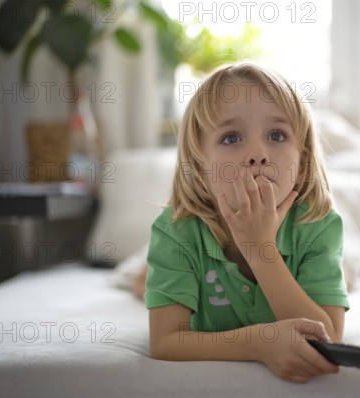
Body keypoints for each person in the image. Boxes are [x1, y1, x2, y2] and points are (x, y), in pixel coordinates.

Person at [145, 62, 349, 384]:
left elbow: (327, 340)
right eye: (231, 138)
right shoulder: (175, 231)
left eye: (277, 135)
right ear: (200, 164)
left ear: (303, 157)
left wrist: (260, 249)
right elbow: (165, 341)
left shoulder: (319, 226)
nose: (257, 153)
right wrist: (260, 343)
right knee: (139, 281)